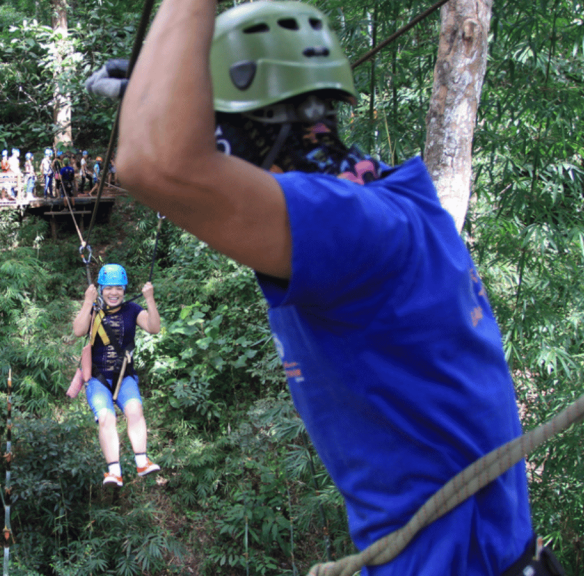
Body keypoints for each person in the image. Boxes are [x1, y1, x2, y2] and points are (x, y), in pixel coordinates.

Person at [88, 1, 559, 575]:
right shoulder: (392, 207)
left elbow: (153, 166)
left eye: (217, 138)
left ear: (250, 131)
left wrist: (168, 120)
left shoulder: (355, 228)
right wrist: (167, 95)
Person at [72, 264, 161, 487]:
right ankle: (114, 471)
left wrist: (149, 299)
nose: (114, 293)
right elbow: (78, 331)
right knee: (106, 418)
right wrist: (87, 301)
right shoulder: (94, 311)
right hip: (98, 378)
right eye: (109, 288)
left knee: (135, 410)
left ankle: (142, 461)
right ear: (101, 290)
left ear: (124, 290)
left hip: (125, 376)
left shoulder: (132, 310)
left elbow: (153, 328)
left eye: (119, 288)